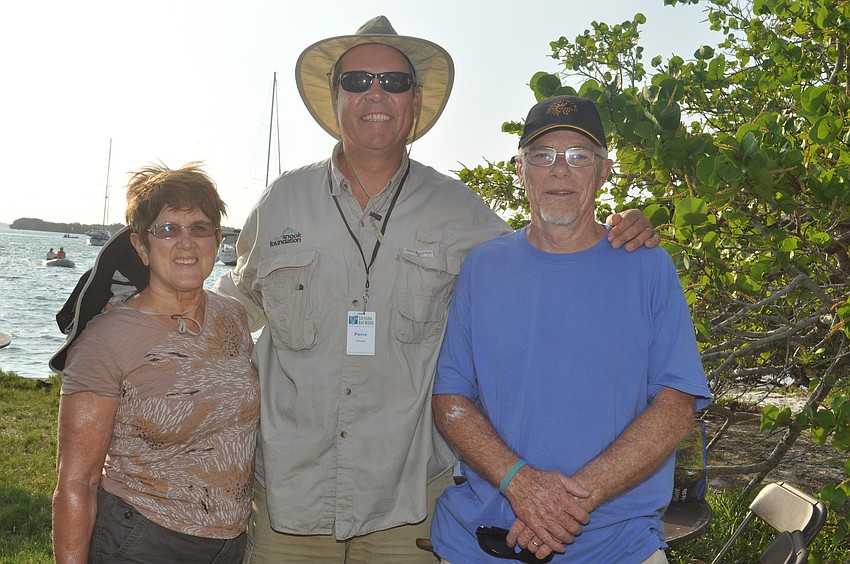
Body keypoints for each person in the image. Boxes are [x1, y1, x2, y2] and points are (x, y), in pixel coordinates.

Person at [215, 17, 660, 563]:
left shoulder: (461, 210)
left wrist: (620, 231)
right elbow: (229, 312)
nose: (375, 93)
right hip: (289, 495)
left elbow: (548, 256)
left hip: (408, 500)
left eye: (393, 81)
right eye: (357, 81)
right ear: (336, 98)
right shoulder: (281, 200)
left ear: (415, 100)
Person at [429, 95, 713, 563]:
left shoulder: (647, 266)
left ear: (603, 172)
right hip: (479, 545)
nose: (559, 170)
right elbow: (450, 399)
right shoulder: (482, 267)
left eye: (579, 156)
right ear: (520, 170)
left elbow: (676, 406)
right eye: (542, 155)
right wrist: (520, 483)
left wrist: (560, 504)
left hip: (618, 549)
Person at [51, 163, 260, 564]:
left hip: (231, 543)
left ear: (218, 239)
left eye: (200, 227)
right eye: (167, 229)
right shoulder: (106, 339)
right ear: (141, 247)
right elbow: (77, 482)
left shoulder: (232, 316)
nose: (186, 242)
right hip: (143, 541)